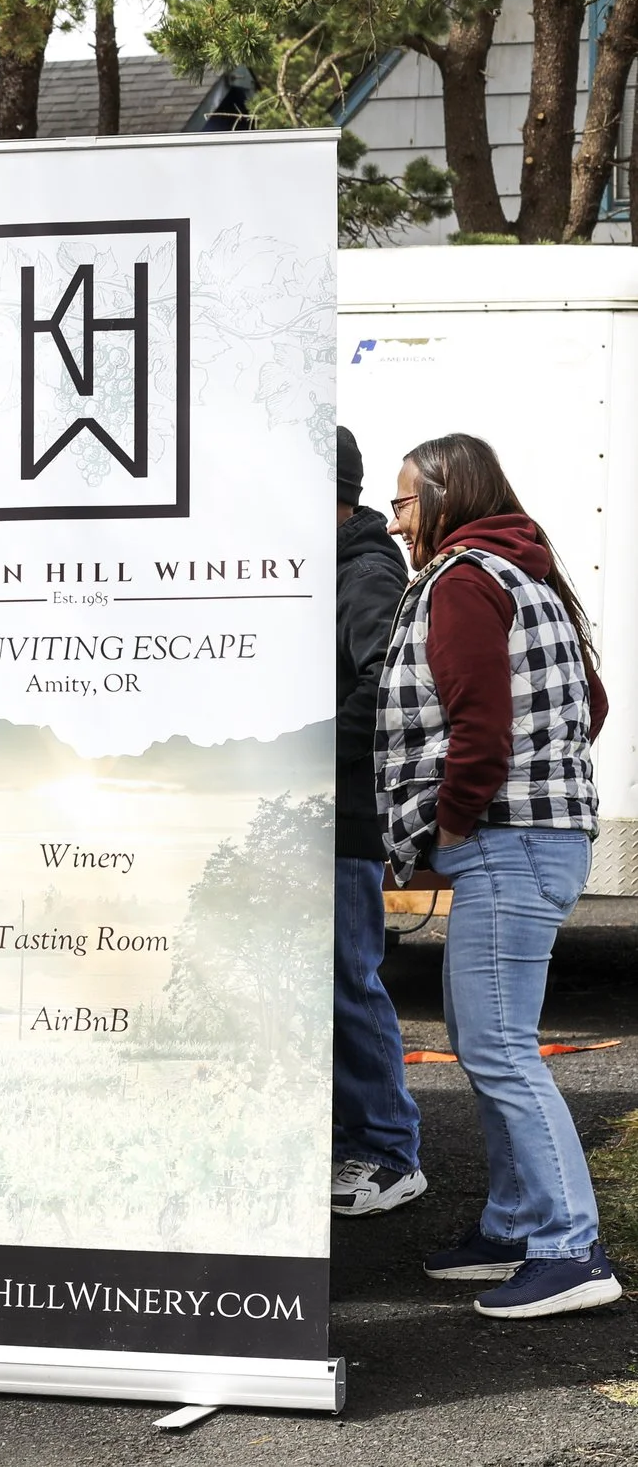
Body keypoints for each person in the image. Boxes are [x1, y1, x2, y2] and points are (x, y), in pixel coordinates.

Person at [381, 433, 618, 1318]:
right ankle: (518, 1224)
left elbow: (479, 719)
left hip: (504, 842)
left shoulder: (466, 581)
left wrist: (453, 816)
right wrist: (542, 776)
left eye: (404, 501)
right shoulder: (527, 575)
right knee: (489, 1043)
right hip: (539, 839)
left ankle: (570, 1249)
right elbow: (587, 703)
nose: (397, 518)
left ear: (445, 496)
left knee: (501, 1050)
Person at [330, 427, 425, 1217]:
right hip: (314, 812)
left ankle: (389, 1152)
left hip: (341, 815)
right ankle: (356, 1143)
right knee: (327, 983)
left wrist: (302, 754)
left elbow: (380, 689)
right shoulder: (337, 566)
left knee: (346, 983)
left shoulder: (362, 573)